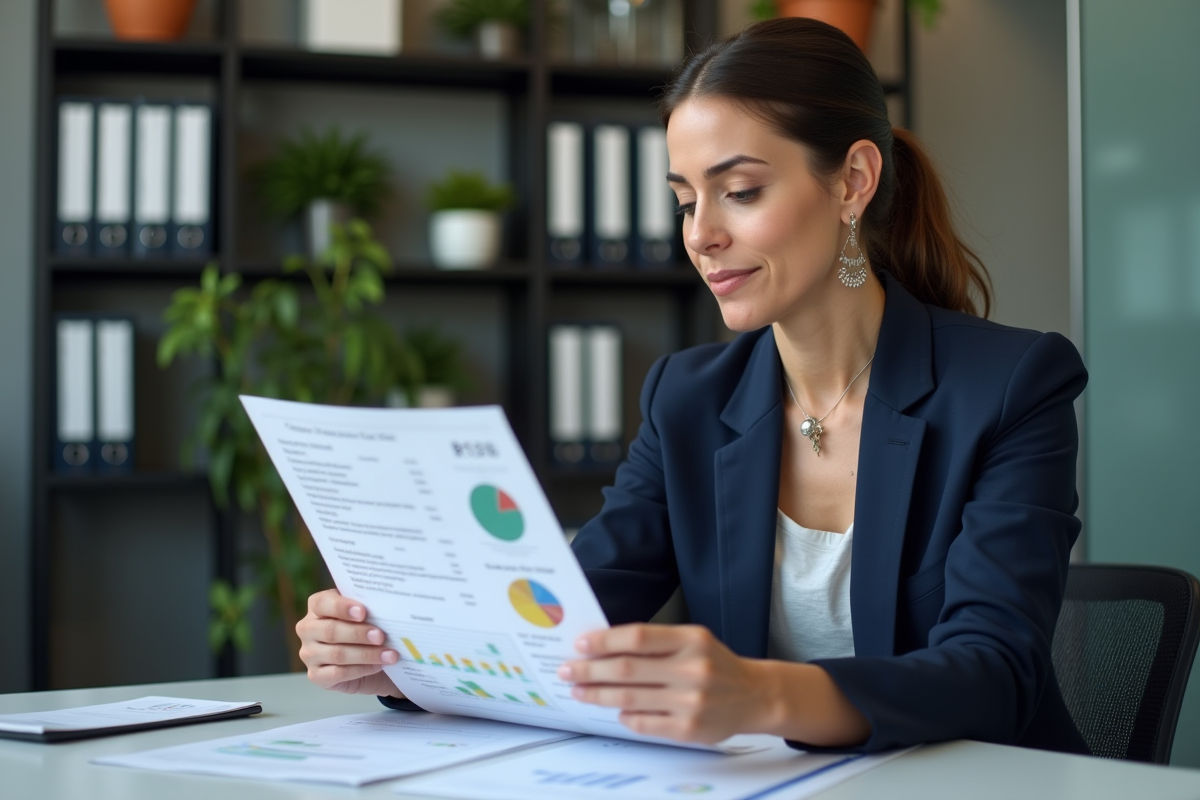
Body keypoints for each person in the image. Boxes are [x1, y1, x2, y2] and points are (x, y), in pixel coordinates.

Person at [296, 18, 1089, 755]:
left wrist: (761, 696)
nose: (701, 234)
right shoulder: (689, 399)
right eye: (684, 199)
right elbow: (567, 626)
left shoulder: (1011, 386)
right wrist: (403, 659)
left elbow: (994, 674)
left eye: (740, 191)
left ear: (853, 181)